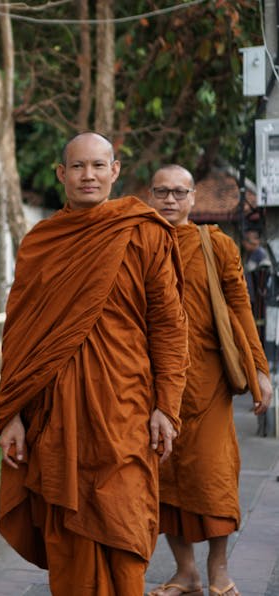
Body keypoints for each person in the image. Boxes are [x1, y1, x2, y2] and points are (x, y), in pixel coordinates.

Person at [0, 132, 189, 596]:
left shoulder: (143, 232)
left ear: (115, 171)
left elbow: (168, 325)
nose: (88, 176)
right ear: (62, 174)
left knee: (124, 519)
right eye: (78, 167)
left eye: (98, 166)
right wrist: (11, 415)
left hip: (126, 409)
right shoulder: (42, 242)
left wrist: (168, 405)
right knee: (67, 530)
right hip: (56, 414)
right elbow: (19, 333)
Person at [145, 165, 272, 596]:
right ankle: (186, 574)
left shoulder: (216, 245)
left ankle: (219, 571)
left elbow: (239, 307)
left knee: (213, 475)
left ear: (193, 198)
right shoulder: (138, 243)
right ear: (150, 195)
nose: (170, 200)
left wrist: (260, 370)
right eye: (162, 191)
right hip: (153, 382)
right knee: (164, 477)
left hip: (208, 381)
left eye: (179, 192)